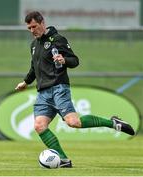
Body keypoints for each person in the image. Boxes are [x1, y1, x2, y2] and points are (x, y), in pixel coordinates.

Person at [15, 11, 135, 168]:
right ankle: (64, 160)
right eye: (29, 28)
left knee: (73, 122)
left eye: (34, 26)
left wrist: (64, 60)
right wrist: (26, 82)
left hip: (58, 88)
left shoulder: (57, 40)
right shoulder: (34, 45)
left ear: (42, 23)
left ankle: (112, 123)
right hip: (43, 93)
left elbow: (75, 61)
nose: (32, 31)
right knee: (39, 126)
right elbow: (34, 67)